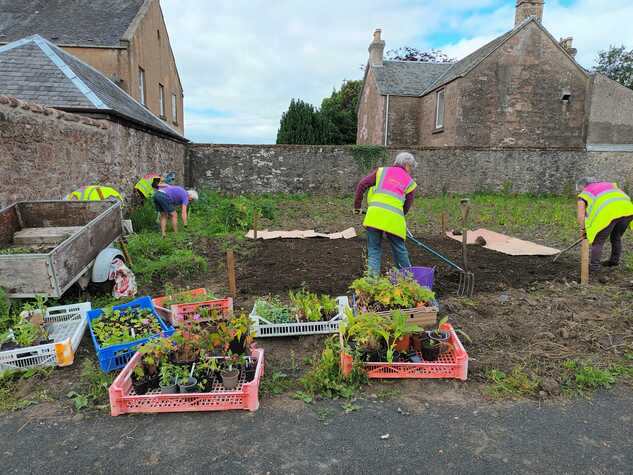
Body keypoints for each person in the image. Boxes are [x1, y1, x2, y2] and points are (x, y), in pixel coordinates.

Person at [354, 152, 418, 276]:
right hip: (394, 220)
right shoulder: (409, 182)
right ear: (407, 165)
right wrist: (399, 216)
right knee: (399, 249)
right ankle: (408, 280)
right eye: (411, 168)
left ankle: (372, 284)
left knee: (374, 250)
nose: (410, 171)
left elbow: (362, 185)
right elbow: (407, 205)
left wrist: (357, 207)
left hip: (374, 217)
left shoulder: (381, 172)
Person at [576, 177, 633, 272]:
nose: (579, 192)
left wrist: (583, 231)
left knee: (598, 241)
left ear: (583, 186)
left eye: (579, 189)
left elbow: (580, 216)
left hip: (610, 213)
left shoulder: (584, 194)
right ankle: (614, 261)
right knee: (616, 236)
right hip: (628, 210)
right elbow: (626, 197)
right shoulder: (610, 185)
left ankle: (594, 267)